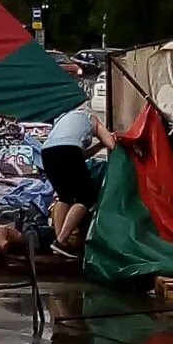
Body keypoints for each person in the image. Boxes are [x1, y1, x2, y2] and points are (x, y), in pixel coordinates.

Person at [41, 109, 115, 257]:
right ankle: (62, 240)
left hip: (47, 152)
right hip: (68, 151)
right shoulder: (92, 119)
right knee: (86, 198)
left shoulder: (65, 121)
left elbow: (79, 155)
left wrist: (98, 146)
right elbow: (112, 144)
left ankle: (59, 242)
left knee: (65, 196)